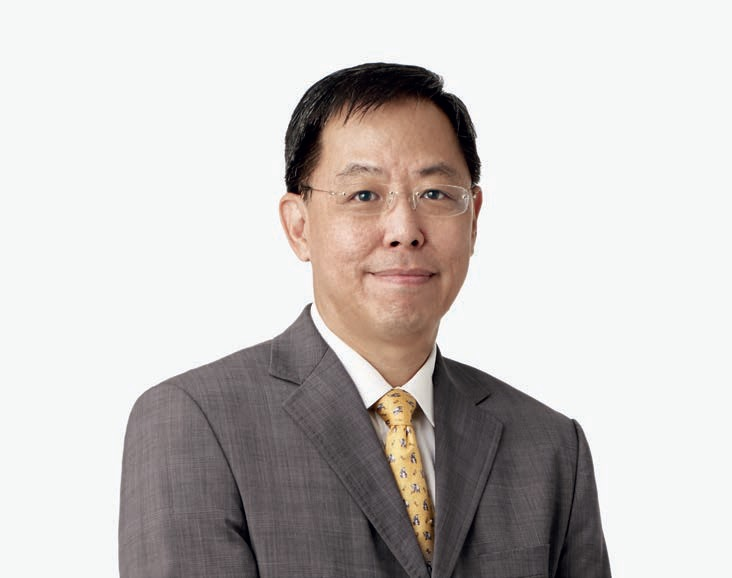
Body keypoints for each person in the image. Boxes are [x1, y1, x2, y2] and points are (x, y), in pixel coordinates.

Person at [119, 62, 611, 578]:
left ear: (473, 221)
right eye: (364, 195)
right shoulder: (195, 423)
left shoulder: (551, 447)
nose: (404, 230)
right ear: (299, 226)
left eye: (435, 194)